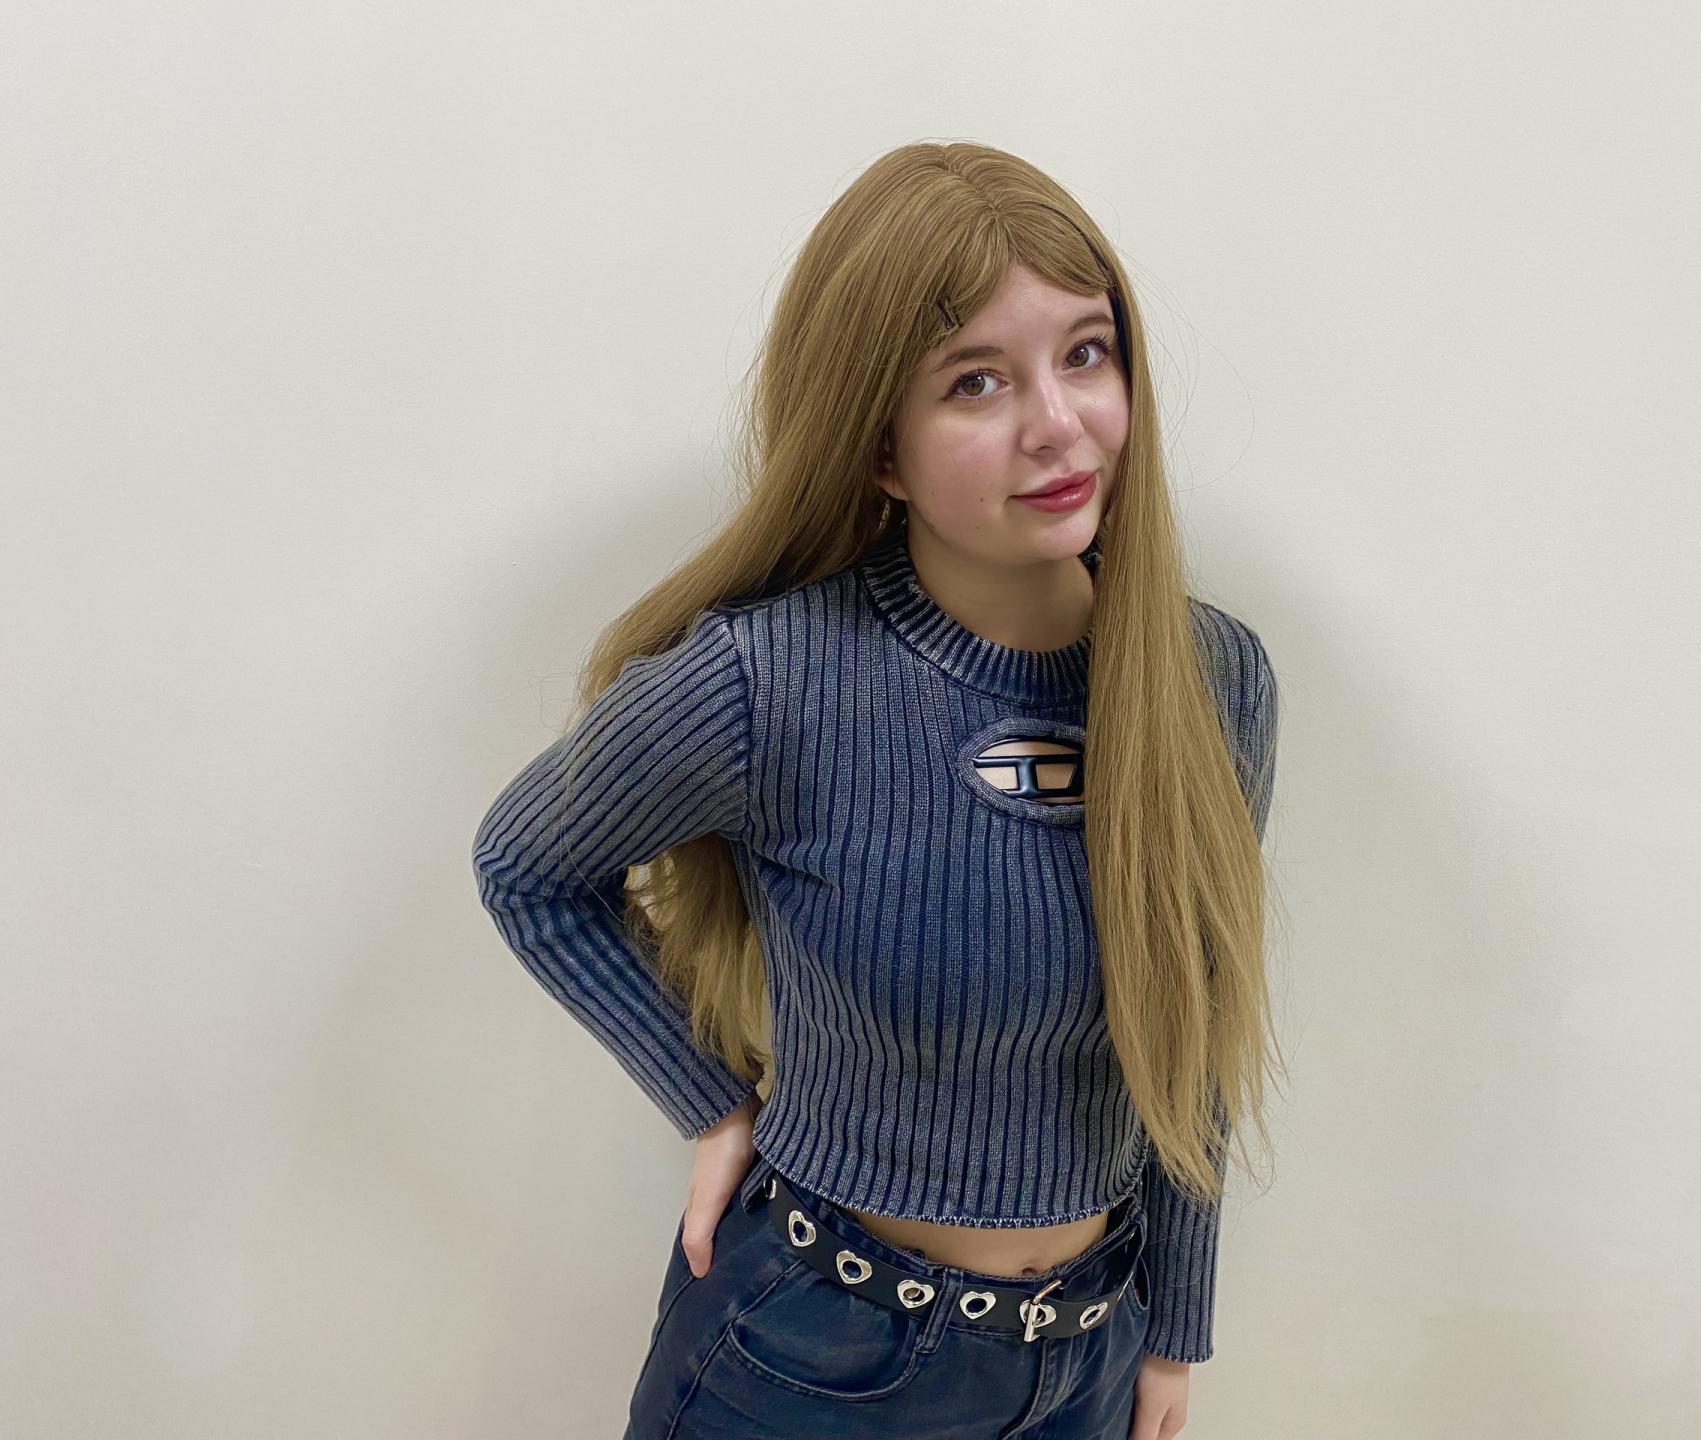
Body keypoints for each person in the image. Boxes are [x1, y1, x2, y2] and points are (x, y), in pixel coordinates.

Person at [471, 141, 1285, 1440]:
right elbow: (527, 868)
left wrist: (1175, 1333)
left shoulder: (1212, 681)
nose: (1058, 423)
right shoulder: (767, 682)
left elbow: (1194, 1041)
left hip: (1085, 1361)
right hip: (807, 1360)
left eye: (1086, 353)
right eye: (976, 381)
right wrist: (710, 1102)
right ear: (881, 450)